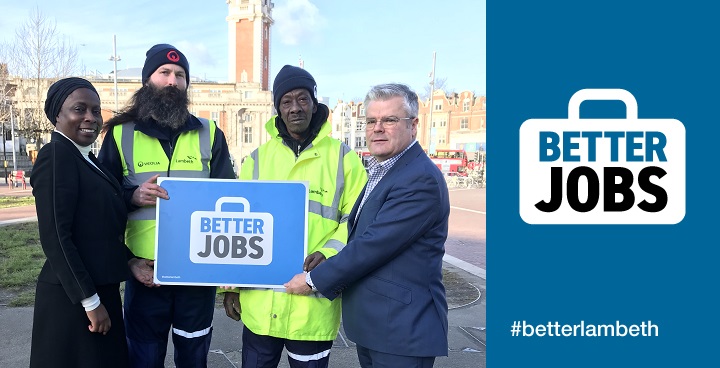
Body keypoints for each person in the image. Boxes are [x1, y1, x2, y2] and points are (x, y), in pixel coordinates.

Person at [285, 83, 450, 368]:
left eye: (389, 120)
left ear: (413, 125)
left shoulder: (419, 179)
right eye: (371, 120)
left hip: (403, 330)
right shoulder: (383, 171)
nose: (377, 128)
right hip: (379, 325)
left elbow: (372, 245)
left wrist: (313, 280)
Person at [98, 44, 236, 367]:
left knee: (193, 360)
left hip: (197, 280)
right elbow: (100, 206)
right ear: (148, 81)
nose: (173, 81)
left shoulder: (210, 133)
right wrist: (131, 198)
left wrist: (229, 274)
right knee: (143, 360)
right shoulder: (120, 134)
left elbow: (228, 202)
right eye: (165, 73)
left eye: (180, 75)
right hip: (145, 276)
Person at [220, 65, 367, 368]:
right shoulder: (257, 160)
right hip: (261, 305)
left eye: (302, 99)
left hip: (311, 307)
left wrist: (327, 255)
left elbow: (357, 221)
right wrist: (231, 287)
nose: (295, 108)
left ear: (315, 104)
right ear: (278, 109)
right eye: (286, 101)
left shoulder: (344, 159)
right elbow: (238, 227)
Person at [30, 77, 131, 367]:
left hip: (98, 290)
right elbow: (56, 238)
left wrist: (130, 260)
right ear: (57, 115)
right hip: (74, 300)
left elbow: (97, 230)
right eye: (79, 109)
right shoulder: (56, 156)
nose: (90, 117)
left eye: (96, 110)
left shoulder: (86, 158)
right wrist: (91, 302)